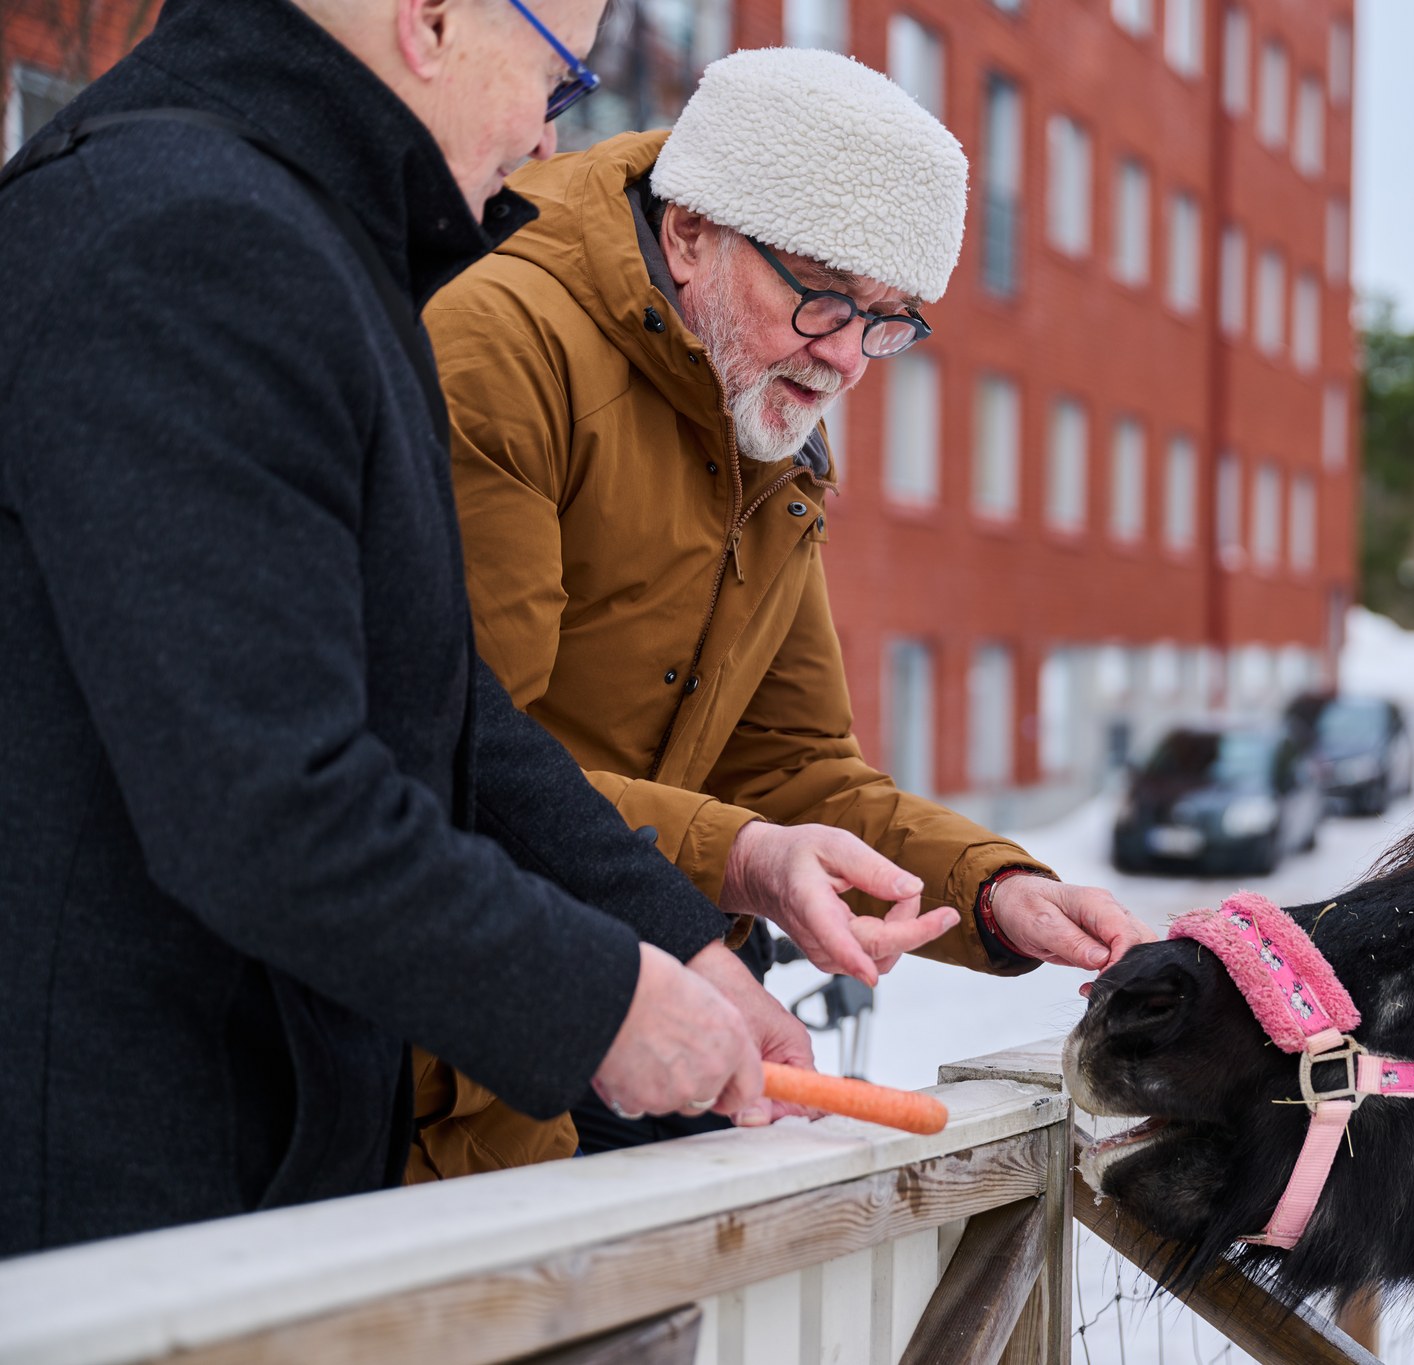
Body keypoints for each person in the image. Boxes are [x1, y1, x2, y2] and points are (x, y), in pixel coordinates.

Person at [0, 0, 806, 1255]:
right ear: (429, 19)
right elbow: (266, 801)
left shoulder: (291, 235)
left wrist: (672, 936)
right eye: (556, 86)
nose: (547, 150)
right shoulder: (190, 235)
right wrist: (590, 1004)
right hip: (117, 1227)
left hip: (234, 1197)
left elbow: (429, 703)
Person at [412, 47, 1158, 1176]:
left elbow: (792, 764)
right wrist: (743, 857)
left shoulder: (760, 402)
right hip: (470, 1023)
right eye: (819, 294)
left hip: (673, 995)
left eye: (890, 321)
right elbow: (455, 750)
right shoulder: (503, 352)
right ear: (689, 235)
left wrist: (995, 892)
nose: (849, 357)